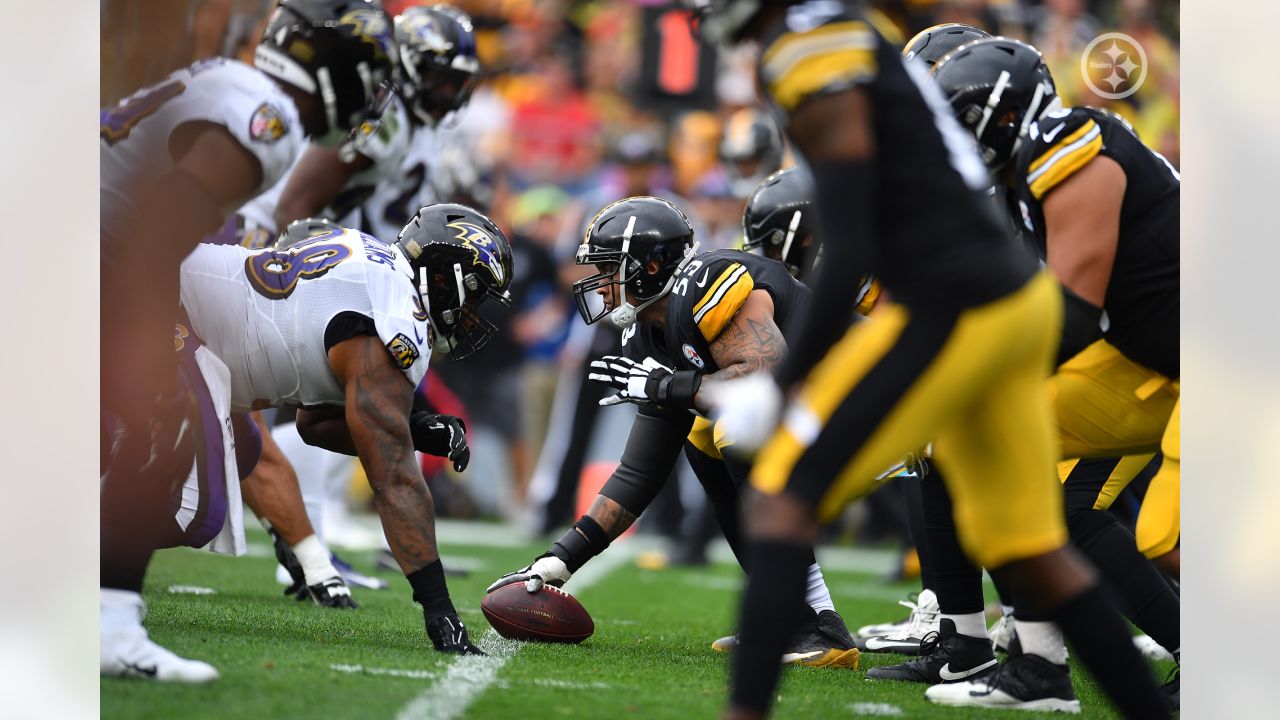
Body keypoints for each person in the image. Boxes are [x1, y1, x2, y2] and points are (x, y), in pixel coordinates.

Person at [687, 2, 1170, 718]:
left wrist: (783, 384)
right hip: (1005, 300)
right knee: (1030, 544)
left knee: (781, 495)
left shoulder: (810, 47)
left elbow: (849, 234)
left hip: (949, 304)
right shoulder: (856, 29)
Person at [100, 0, 396, 682]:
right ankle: (107, 624)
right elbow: (154, 240)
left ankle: (107, 620)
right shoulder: (268, 121)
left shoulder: (246, 93)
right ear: (327, 65)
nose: (373, 92)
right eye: (367, 71)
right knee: (165, 419)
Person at [486, 196, 859, 668]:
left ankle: (814, 619)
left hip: (885, 386)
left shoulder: (704, 284)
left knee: (735, 430)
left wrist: (669, 385)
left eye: (608, 269)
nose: (598, 284)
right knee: (703, 437)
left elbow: (767, 375)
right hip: (830, 408)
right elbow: (640, 471)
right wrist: (560, 560)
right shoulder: (648, 330)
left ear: (651, 266)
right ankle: (798, 617)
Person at [920, 36, 1180, 709]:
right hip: (1150, 361)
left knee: (1167, 537)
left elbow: (1068, 312)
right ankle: (1038, 666)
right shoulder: (1017, 179)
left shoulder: (1069, 138)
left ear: (1006, 115)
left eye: (961, 119)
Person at [177, 204, 511, 658]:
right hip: (172, 311)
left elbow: (314, 422)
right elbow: (393, 477)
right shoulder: (394, 314)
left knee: (234, 459)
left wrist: (412, 428)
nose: (472, 314)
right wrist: (439, 608)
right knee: (196, 508)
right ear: (440, 275)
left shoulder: (377, 268)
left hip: (181, 292)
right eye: (474, 294)